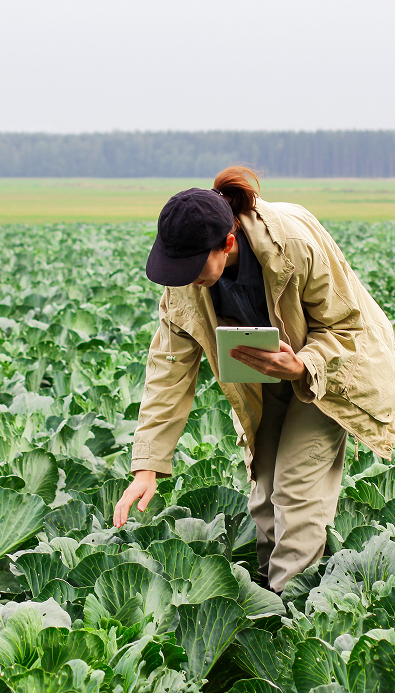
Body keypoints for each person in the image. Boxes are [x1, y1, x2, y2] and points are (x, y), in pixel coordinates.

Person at [112, 166, 395, 594]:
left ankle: (291, 613)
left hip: (330, 372)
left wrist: (303, 365)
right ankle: (268, 597)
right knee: (265, 495)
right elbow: (168, 370)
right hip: (265, 379)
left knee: (297, 493)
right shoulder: (185, 283)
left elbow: (348, 327)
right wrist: (147, 467)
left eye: (190, 266)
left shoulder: (294, 244)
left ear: (227, 244)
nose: (182, 277)